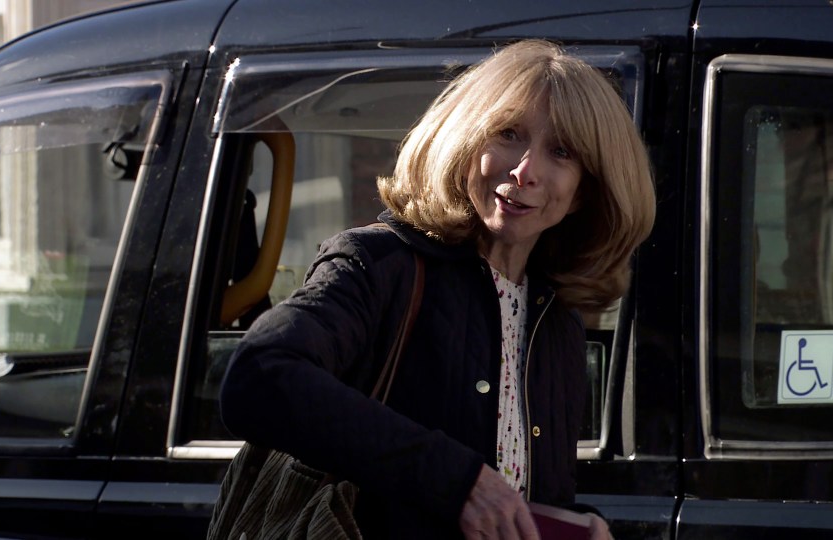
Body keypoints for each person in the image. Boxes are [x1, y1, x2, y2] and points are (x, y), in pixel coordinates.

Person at [219, 39, 656, 539]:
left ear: (584, 193)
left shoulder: (557, 323)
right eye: (508, 134)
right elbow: (257, 379)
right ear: (466, 144)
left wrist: (576, 524)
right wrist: (457, 479)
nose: (525, 171)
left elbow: (520, 492)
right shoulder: (379, 264)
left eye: (561, 151)